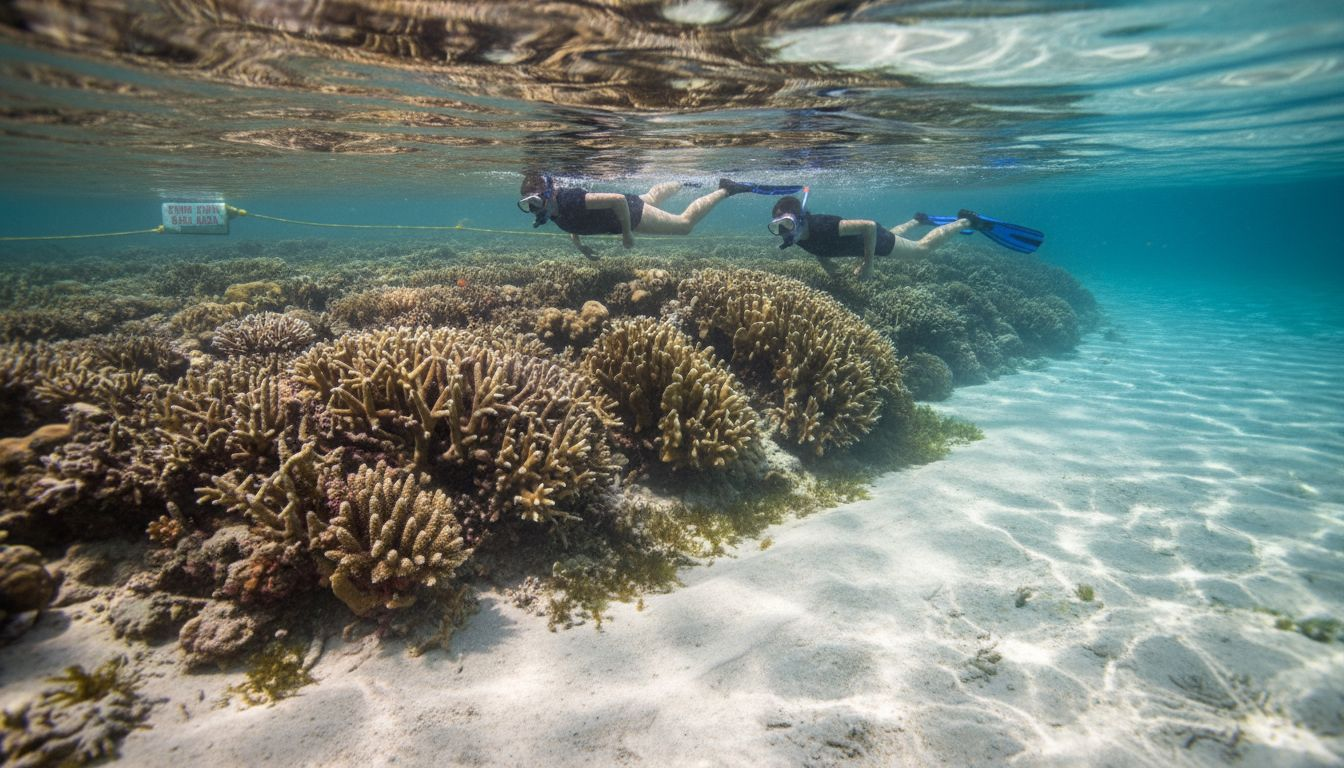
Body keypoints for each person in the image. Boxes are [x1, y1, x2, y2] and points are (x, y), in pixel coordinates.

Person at [768, 193, 1044, 278]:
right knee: (896, 233)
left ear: (801, 218)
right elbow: (816, 246)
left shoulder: (825, 225)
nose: (784, 231)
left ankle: (965, 221)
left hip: (873, 241)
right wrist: (827, 264)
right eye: (778, 226)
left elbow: (869, 227)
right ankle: (917, 220)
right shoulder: (798, 237)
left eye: (787, 223)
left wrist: (868, 264)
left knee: (920, 251)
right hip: (871, 241)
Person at [518, 173, 762, 259]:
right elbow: (573, 220)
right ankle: (682, 181)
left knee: (684, 225)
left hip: (630, 215)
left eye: (537, 202)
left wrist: (627, 234)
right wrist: (579, 245)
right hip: (627, 209)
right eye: (528, 205)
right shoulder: (553, 211)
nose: (535, 210)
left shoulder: (570, 199)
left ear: (549, 195)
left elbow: (618, 200)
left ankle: (725, 188)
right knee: (651, 197)